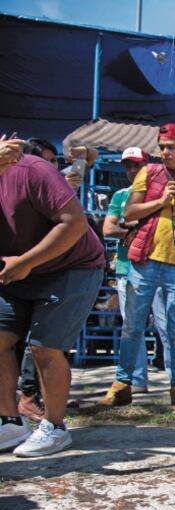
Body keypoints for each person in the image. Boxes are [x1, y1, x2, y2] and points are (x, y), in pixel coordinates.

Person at [98, 123, 175, 408]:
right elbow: (129, 214)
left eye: (171, 147)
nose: (164, 152)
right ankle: (122, 385)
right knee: (132, 325)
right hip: (144, 262)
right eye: (162, 147)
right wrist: (161, 200)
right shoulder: (149, 173)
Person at [0, 139, 105, 456]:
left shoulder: (32, 170)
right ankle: (10, 422)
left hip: (72, 266)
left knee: (44, 347)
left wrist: (26, 263)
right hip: (16, 270)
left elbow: (74, 224)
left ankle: (55, 427)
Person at [101, 147, 161, 394]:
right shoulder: (120, 196)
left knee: (169, 325)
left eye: (137, 165)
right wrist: (136, 231)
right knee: (132, 326)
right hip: (128, 269)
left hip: (160, 267)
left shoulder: (160, 195)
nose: (132, 170)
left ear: (147, 166)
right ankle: (137, 379)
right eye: (128, 166)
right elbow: (108, 229)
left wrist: (131, 226)